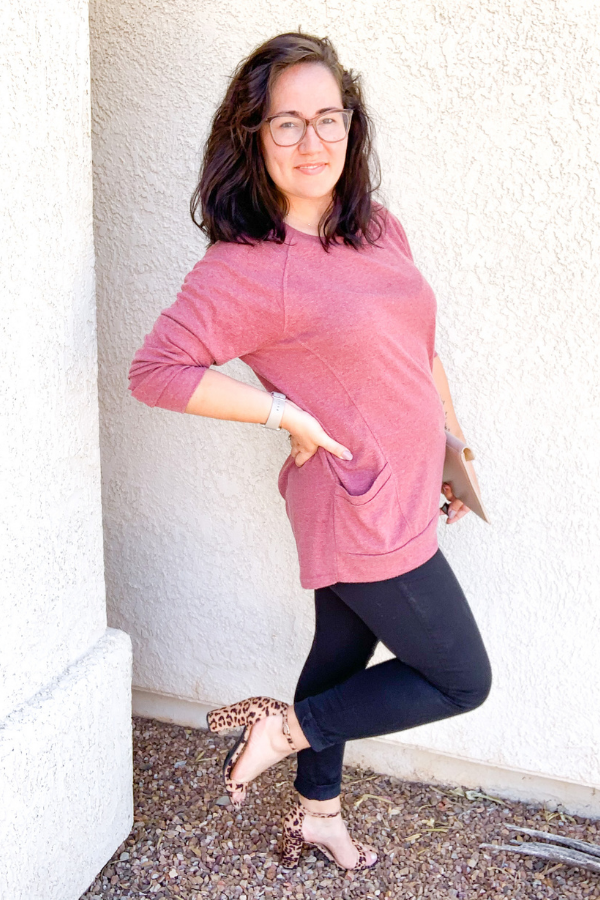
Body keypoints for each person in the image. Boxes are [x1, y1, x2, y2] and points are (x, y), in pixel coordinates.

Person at [127, 31, 493, 873]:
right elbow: (156, 372)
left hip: (406, 482)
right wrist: (281, 410)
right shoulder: (244, 268)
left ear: (351, 125)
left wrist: (451, 448)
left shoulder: (377, 228)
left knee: (340, 656)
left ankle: (317, 814)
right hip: (356, 501)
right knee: (461, 678)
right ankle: (282, 732)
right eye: (286, 124)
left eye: (329, 117)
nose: (313, 140)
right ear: (251, 136)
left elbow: (418, 349)